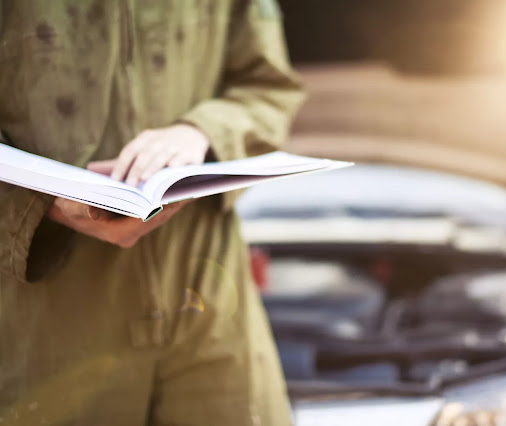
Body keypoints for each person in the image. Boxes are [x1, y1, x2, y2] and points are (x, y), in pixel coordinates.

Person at [0, 1, 304, 425]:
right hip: (42, 332)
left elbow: (268, 87)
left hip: (212, 313)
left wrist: (201, 131)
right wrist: (35, 205)